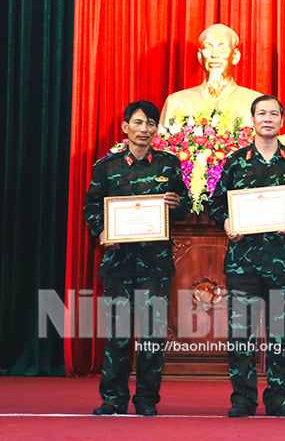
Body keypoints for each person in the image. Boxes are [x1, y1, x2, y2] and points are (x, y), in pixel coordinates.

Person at [209, 94, 285, 418]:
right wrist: (227, 222)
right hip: (243, 261)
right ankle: (242, 399)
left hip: (281, 261)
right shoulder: (235, 160)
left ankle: (279, 398)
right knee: (240, 333)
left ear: (281, 121)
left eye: (274, 113)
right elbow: (217, 203)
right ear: (253, 120)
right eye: (262, 113)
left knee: (281, 333)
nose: (267, 118)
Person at [83, 100, 190, 416]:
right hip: (118, 263)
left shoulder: (168, 165)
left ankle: (146, 399)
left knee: (153, 336)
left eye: (151, 124)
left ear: (157, 129)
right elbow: (91, 207)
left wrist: (176, 204)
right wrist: (102, 232)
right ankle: (113, 398)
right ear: (125, 127)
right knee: (117, 335)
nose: (145, 129)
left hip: (155, 264)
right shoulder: (107, 167)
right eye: (139, 122)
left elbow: (184, 206)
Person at [160, 23, 263, 127]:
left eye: (222, 49)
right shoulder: (176, 102)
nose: (214, 55)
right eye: (208, 48)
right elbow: (163, 141)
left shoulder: (256, 103)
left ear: (235, 56)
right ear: (200, 56)